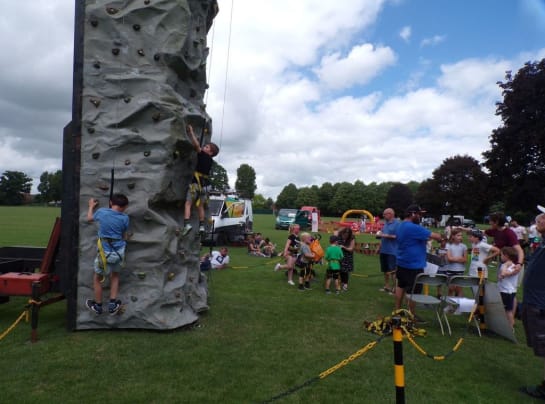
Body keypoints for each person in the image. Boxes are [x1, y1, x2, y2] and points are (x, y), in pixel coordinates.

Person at [394, 204, 442, 320]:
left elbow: (414, 239)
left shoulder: (401, 226)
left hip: (402, 262)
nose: (420, 217)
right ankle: (411, 315)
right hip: (413, 264)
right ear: (412, 214)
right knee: (413, 292)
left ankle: (397, 311)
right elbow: (436, 236)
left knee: (401, 286)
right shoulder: (413, 227)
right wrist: (444, 237)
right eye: (419, 214)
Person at [85, 194, 130, 315]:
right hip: (119, 251)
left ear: (111, 202)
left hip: (104, 252)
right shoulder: (125, 218)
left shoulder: (102, 212)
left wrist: (91, 206)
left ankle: (98, 306)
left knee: (97, 278)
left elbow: (89, 218)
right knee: (115, 276)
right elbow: (124, 235)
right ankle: (112, 304)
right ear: (125, 207)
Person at [520, 210, 545, 399]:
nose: (539, 220)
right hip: (534, 301)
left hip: (541, 304)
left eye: (543, 218)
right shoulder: (542, 242)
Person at [182, 124, 220, 237]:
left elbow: (196, 145)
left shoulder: (203, 155)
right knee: (200, 206)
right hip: (205, 186)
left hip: (196, 184)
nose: (204, 147)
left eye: (207, 147)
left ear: (210, 152)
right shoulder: (210, 161)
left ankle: (187, 224)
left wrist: (191, 132)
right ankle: (202, 226)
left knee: (188, 204)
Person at [376, 208, 399, 294]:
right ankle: (386, 286)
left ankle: (395, 289)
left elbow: (396, 236)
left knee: (393, 271)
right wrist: (379, 248)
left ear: (390, 214)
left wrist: (384, 235)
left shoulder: (397, 224)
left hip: (392, 251)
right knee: (385, 270)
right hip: (384, 250)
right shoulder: (385, 224)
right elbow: (382, 237)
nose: (383, 215)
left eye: (385, 214)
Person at [497, 246, 520, 329]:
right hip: (506, 290)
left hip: (507, 291)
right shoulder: (508, 265)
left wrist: (505, 266)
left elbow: (504, 274)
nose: (500, 257)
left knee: (508, 310)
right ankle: (504, 325)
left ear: (506, 256)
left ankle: (510, 327)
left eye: (501, 255)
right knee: (504, 309)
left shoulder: (512, 266)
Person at [445, 228, 468, 296]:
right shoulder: (449, 246)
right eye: (458, 235)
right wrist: (459, 258)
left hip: (460, 270)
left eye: (461, 235)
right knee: (451, 289)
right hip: (450, 270)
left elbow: (465, 259)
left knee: (459, 289)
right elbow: (449, 259)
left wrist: (454, 259)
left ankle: (460, 305)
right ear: (453, 236)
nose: (460, 237)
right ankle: (450, 305)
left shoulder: (464, 246)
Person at [338, 226, 355, 292]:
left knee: (345, 271)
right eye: (344, 234)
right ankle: (341, 282)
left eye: (347, 235)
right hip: (339, 255)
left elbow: (351, 249)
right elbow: (335, 233)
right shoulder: (339, 235)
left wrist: (343, 247)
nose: (345, 236)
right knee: (339, 269)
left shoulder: (352, 238)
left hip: (347, 256)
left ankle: (345, 284)